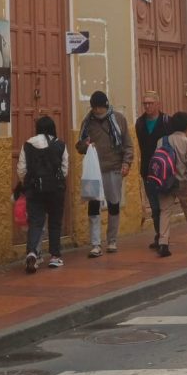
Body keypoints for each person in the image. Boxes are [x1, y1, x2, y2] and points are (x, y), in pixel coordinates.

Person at [77, 90, 134, 257]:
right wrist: (84, 145)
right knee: (93, 205)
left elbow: (128, 145)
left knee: (114, 204)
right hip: (94, 170)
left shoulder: (119, 119)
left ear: (106, 106)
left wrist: (126, 163)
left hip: (114, 168)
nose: (97, 111)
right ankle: (95, 244)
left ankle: (112, 240)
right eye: (94, 108)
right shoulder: (87, 123)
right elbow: (79, 146)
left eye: (99, 108)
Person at [18, 115, 68, 272]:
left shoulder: (28, 144)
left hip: (34, 190)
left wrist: (26, 183)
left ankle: (32, 252)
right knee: (54, 222)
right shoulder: (60, 144)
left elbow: (21, 169)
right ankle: (55, 256)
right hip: (55, 190)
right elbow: (65, 169)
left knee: (36, 222)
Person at [154, 111, 187, 258]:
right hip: (182, 183)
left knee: (165, 211)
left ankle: (163, 242)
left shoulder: (161, 141)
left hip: (165, 182)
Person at [135, 91, 170, 250]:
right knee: (154, 206)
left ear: (158, 104)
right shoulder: (140, 123)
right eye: (145, 103)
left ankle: (164, 237)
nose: (147, 106)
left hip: (165, 170)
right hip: (148, 171)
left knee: (164, 206)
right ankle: (159, 235)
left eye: (150, 103)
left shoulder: (166, 121)